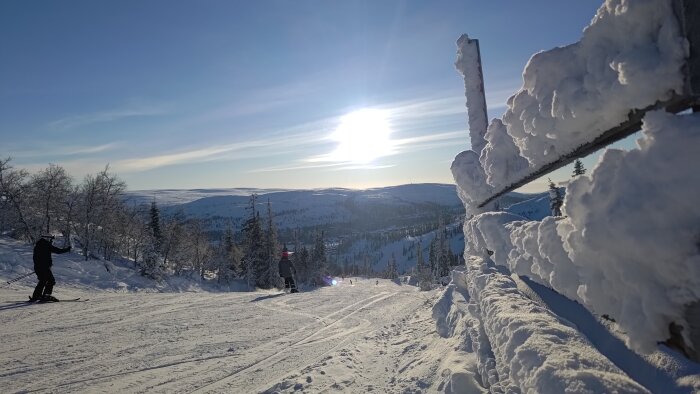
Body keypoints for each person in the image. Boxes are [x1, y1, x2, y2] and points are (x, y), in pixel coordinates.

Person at [31, 235, 71, 302]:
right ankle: (46, 295)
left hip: (38, 267)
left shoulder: (37, 246)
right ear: (47, 239)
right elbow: (58, 251)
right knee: (51, 281)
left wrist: (38, 266)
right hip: (45, 268)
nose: (51, 241)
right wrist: (67, 249)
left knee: (43, 280)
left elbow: (35, 258)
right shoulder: (46, 245)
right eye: (51, 240)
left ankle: (36, 295)